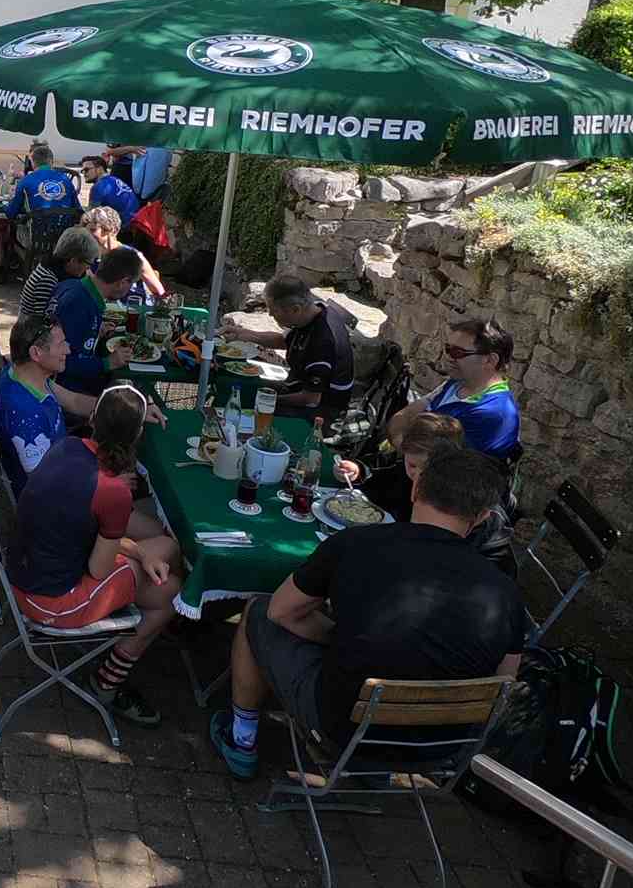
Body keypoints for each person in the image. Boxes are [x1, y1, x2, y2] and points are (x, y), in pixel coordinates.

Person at [209, 447, 524, 779]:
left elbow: (281, 612)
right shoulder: (505, 591)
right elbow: (503, 683)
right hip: (440, 749)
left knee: (258, 610)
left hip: (344, 733)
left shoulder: (356, 542)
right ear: (482, 517)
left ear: (416, 488)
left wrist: (336, 636)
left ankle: (241, 739)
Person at [8, 386, 184, 726]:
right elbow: (99, 568)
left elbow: (85, 534)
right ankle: (107, 682)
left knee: (165, 550)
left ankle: (147, 628)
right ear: (136, 436)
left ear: (92, 419)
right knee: (171, 591)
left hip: (22, 574)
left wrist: (138, 553)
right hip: (50, 602)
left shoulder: (67, 447)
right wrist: (138, 556)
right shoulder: (113, 490)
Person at [335, 412, 518, 577]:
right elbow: (382, 482)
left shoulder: (468, 500)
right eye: (411, 465)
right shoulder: (407, 473)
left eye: (425, 469)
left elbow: (492, 561)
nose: (417, 476)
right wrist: (360, 471)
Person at [0, 316, 104, 496]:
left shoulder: (22, 374)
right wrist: (102, 478)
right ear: (36, 353)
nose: (68, 349)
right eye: (61, 344)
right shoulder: (24, 412)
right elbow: (45, 484)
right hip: (53, 498)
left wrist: (120, 409)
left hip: (61, 462)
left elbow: (73, 400)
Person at [222, 274, 353, 421]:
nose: (270, 314)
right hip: (296, 387)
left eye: (274, 310)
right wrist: (242, 334)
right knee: (237, 387)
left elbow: (310, 399)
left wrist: (268, 400)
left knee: (246, 405)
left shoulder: (322, 343)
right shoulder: (312, 311)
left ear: (295, 309)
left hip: (321, 410)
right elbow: (283, 341)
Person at [387, 316, 520, 459]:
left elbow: (434, 463)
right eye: (447, 349)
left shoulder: (491, 414)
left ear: (490, 360)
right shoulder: (456, 383)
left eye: (458, 352)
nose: (449, 357)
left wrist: (400, 441)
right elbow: (406, 415)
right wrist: (401, 440)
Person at [51, 245, 142, 394]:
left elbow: (74, 335)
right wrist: (108, 363)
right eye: (131, 284)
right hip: (66, 391)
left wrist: (95, 331)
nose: (129, 289)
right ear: (122, 282)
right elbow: (60, 361)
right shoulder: (79, 303)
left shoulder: (74, 286)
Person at [20, 226, 98, 328]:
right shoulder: (47, 279)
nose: (88, 268)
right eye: (88, 264)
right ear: (73, 261)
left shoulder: (60, 269)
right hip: (32, 331)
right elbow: (41, 323)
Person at [82, 206, 166, 299]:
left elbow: (159, 292)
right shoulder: (88, 257)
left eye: (93, 230)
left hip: (132, 305)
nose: (87, 235)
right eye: (86, 231)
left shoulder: (132, 257)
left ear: (111, 230)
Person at [5, 142, 81, 219]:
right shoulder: (66, 179)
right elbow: (78, 210)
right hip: (64, 225)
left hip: (36, 225)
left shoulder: (25, 181)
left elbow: (11, 213)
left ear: (32, 162)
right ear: (51, 162)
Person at [81, 155, 141, 225]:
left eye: (86, 170)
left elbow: (90, 217)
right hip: (137, 220)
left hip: (125, 226)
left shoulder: (98, 187)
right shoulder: (114, 179)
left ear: (99, 169)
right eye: (82, 171)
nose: (84, 173)